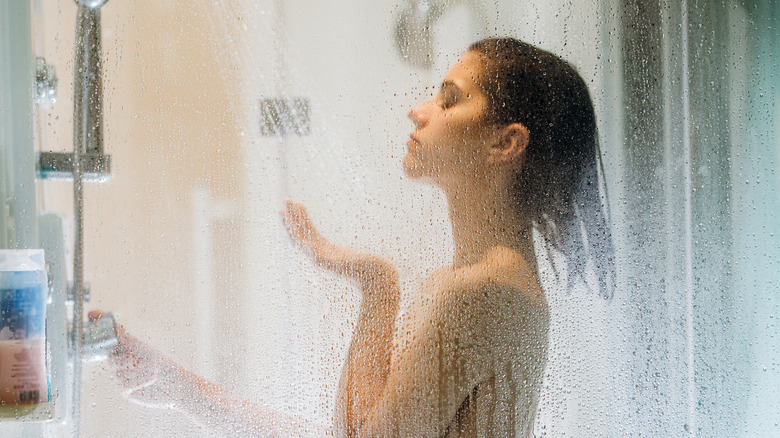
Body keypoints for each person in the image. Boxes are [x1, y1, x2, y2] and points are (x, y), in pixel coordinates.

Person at [98, 37, 614, 437]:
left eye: (449, 100)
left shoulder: (481, 292)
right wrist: (180, 389)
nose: (419, 110)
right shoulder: (495, 281)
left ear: (505, 143)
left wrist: (378, 287)